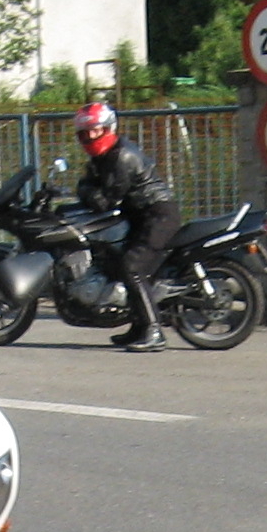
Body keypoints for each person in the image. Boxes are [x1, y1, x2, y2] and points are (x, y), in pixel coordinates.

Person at [71, 99, 179, 352]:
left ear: (109, 128)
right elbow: (89, 186)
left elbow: (105, 200)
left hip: (157, 215)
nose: (90, 137)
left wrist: (86, 191)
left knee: (132, 267)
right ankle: (138, 327)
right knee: (116, 261)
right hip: (141, 216)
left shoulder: (121, 156)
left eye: (95, 130)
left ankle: (154, 332)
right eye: (85, 133)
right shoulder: (103, 157)